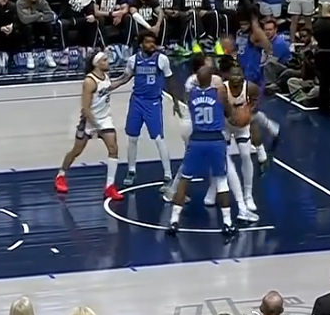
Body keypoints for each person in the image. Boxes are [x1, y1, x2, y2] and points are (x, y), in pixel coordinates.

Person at [168, 65, 235, 236]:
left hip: (197, 139)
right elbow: (229, 113)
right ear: (212, 79)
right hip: (215, 140)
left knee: (184, 179)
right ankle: (227, 223)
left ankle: (173, 221)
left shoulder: (191, 95)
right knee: (221, 180)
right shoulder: (219, 93)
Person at [54, 50, 124, 201]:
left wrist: (128, 76)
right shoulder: (89, 81)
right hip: (89, 120)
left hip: (105, 119)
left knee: (113, 148)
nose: (108, 62)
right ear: (97, 64)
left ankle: (110, 186)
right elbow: (85, 108)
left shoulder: (105, 76)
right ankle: (61, 175)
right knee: (76, 151)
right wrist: (96, 125)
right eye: (104, 60)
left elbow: (110, 86)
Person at [122, 31, 180, 190]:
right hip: (136, 101)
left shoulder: (162, 59)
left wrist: (175, 101)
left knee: (159, 138)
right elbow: (124, 78)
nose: (151, 45)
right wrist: (109, 87)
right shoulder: (133, 60)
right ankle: (131, 171)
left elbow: (170, 81)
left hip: (153, 102)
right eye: (148, 42)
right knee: (132, 138)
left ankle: (168, 174)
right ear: (141, 44)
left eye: (153, 42)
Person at [203, 67, 259, 222]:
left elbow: (255, 101)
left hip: (242, 127)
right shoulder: (222, 90)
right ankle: (213, 189)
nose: (235, 77)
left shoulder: (251, 88)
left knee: (246, 155)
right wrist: (233, 116)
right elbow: (220, 109)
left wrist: (248, 112)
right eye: (232, 74)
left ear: (243, 76)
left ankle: (248, 195)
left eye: (238, 74)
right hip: (225, 125)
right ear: (228, 76)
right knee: (220, 160)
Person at [232, 12, 280, 169]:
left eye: (246, 23)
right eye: (241, 23)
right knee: (250, 113)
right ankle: (272, 128)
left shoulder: (255, 36)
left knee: (248, 115)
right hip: (243, 77)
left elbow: (269, 48)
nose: (243, 26)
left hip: (255, 80)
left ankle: (261, 153)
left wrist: (255, 23)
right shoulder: (240, 34)